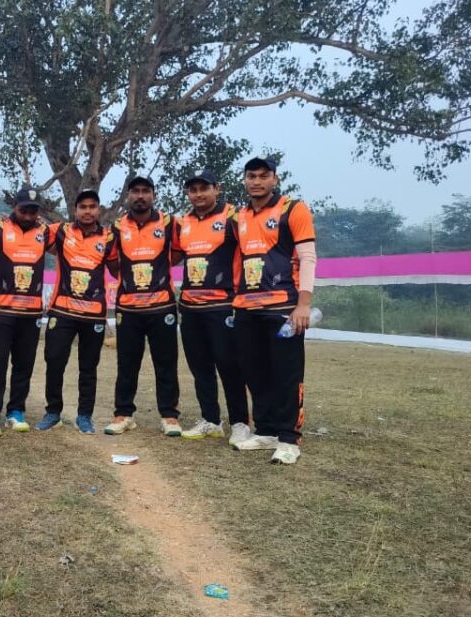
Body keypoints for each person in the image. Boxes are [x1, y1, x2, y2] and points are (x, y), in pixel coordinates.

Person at [231, 156, 317, 465]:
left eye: (263, 176)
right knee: (255, 372)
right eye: (251, 176)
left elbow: (308, 257)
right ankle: (266, 430)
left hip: (283, 306)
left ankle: (289, 438)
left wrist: (303, 304)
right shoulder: (238, 216)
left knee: (287, 373)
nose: (256, 181)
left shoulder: (293, 209)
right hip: (247, 308)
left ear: (274, 179)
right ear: (245, 180)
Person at [174, 169, 251, 446]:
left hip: (223, 306)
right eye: (193, 190)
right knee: (200, 367)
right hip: (190, 307)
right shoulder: (183, 222)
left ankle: (240, 423)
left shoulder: (234, 217)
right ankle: (211, 420)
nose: (198, 194)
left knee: (229, 366)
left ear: (216, 189)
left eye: (203, 188)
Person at [103, 176, 183, 437]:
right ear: (128, 195)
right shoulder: (117, 226)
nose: (140, 196)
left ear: (153, 195)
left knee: (166, 363)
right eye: (135, 191)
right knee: (127, 364)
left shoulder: (168, 223)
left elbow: (177, 253)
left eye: (145, 191)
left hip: (162, 306)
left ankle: (169, 416)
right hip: (128, 308)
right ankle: (123, 414)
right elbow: (112, 263)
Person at [36, 189, 113, 435]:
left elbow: (118, 266)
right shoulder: (61, 231)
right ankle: (53, 412)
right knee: (54, 361)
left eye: (92, 206)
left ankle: (84, 416)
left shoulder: (109, 237)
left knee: (88, 367)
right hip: (62, 311)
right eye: (83, 207)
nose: (87, 211)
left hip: (94, 314)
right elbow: (33, 233)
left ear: (98, 210)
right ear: (75, 210)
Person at [0, 186, 56, 437]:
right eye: (24, 210)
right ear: (14, 206)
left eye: (33, 211)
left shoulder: (44, 232)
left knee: (23, 364)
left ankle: (16, 411)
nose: (28, 215)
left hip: (31, 313)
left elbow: (69, 244)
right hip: (2, 310)